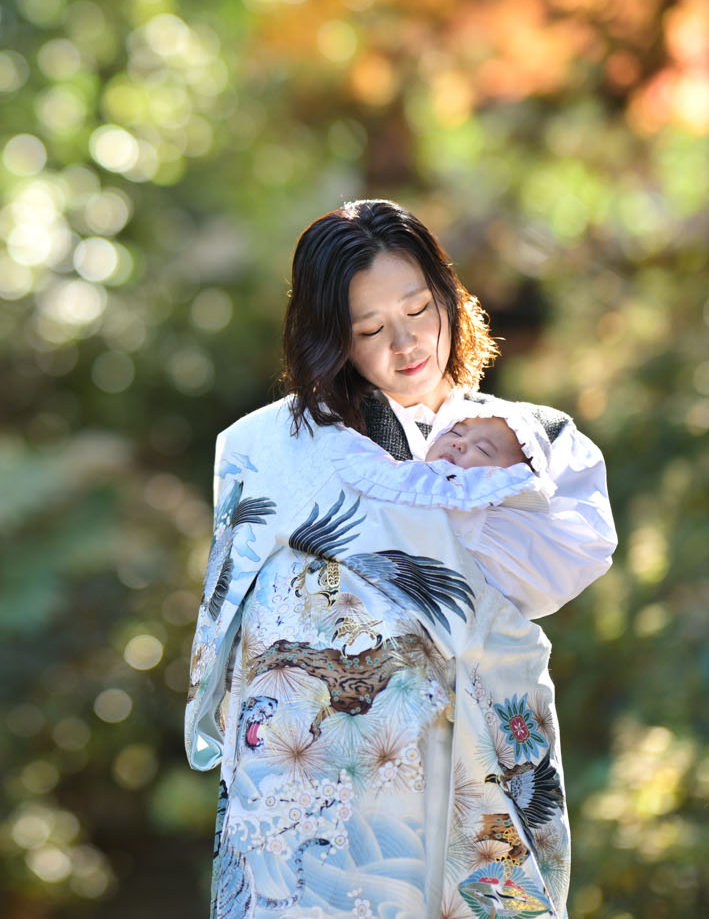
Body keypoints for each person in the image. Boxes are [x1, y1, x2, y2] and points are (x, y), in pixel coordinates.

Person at [184, 200, 616, 919]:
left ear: (449, 296)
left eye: (419, 309)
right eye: (370, 329)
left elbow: (563, 555)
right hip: (314, 788)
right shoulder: (273, 449)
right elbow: (242, 626)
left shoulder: (510, 438)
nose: (407, 343)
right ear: (331, 340)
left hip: (456, 757)